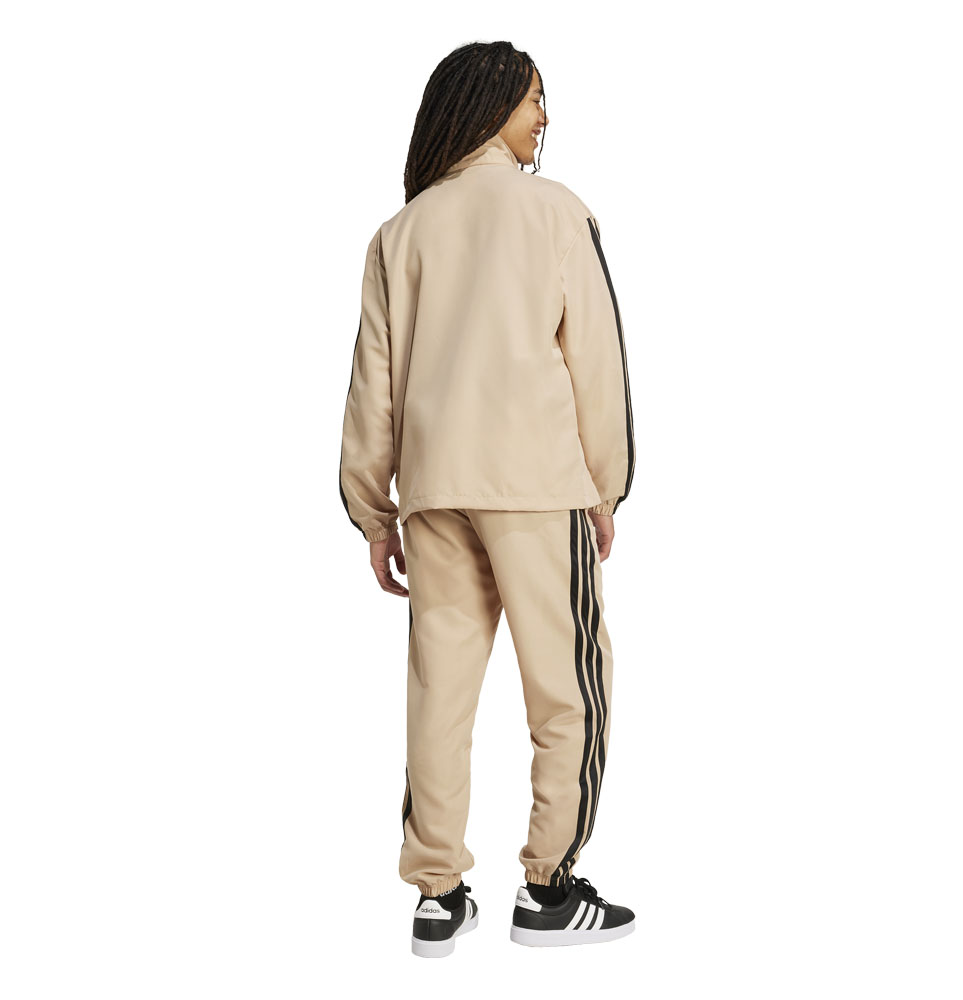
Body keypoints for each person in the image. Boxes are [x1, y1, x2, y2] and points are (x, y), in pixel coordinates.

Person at [339, 41, 636, 957]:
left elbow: (373, 383)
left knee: (439, 693)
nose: (544, 116)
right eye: (534, 98)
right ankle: (549, 890)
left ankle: (437, 895)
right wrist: (607, 485)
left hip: (434, 491)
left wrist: (372, 511)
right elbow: (595, 359)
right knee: (568, 690)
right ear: (493, 100)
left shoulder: (401, 232)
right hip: (536, 483)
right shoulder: (556, 211)